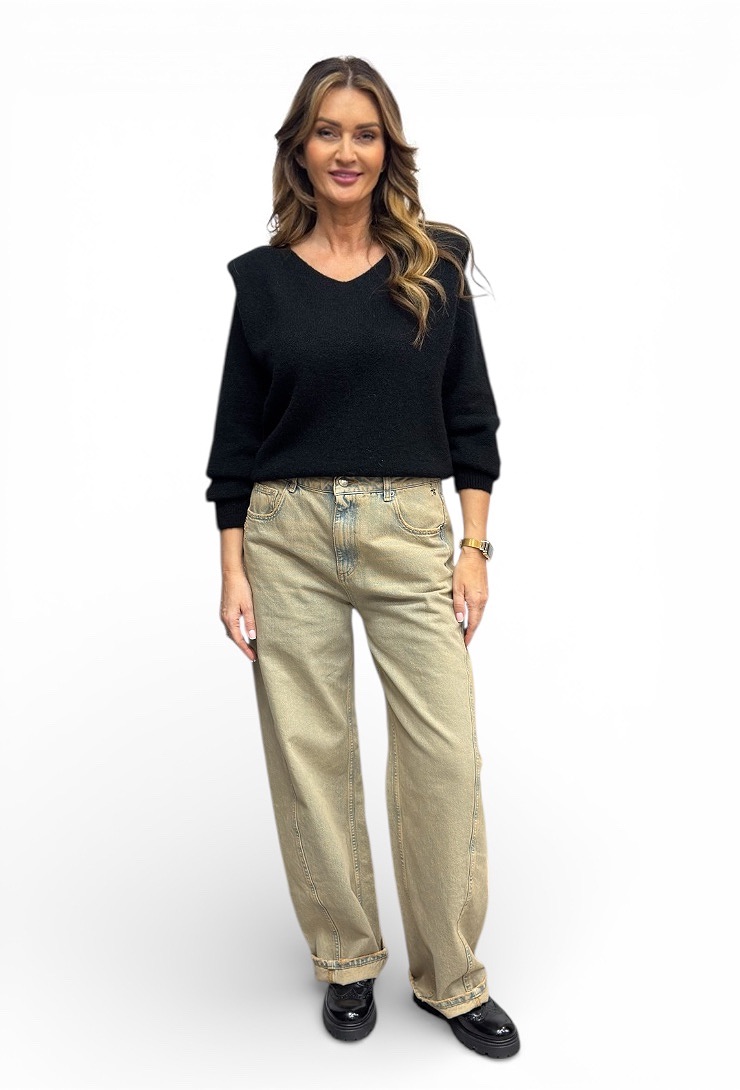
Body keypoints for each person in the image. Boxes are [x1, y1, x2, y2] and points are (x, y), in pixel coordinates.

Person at [204, 55, 520, 1059]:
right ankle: (346, 959)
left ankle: (450, 977)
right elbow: (236, 434)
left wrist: (473, 546)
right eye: (328, 130)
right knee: (311, 756)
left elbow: (471, 416)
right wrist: (232, 563)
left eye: (365, 132)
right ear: (300, 148)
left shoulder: (436, 262)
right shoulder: (261, 282)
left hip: (407, 529)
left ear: (388, 149)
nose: (346, 149)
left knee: (444, 757)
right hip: (283, 532)